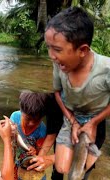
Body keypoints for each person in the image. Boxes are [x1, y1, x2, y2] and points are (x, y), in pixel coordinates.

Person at [45, 6, 108, 178]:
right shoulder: (59, 64)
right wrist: (72, 121)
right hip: (70, 117)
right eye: (48, 47)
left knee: (79, 173)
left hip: (96, 119)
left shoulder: (106, 69)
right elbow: (57, 92)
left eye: (57, 49)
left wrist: (93, 122)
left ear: (82, 50)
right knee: (61, 169)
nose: (51, 55)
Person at [9, 91, 47, 180]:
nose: (31, 123)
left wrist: (35, 151)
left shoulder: (42, 130)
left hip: (30, 165)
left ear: (42, 117)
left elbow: (40, 153)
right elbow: (10, 141)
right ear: (21, 111)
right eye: (28, 119)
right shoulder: (15, 117)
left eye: (36, 120)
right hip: (16, 161)